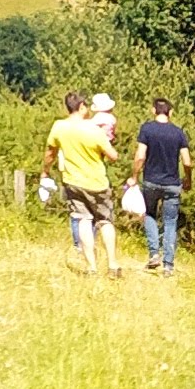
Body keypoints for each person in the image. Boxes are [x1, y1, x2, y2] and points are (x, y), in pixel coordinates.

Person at [44, 90, 119, 277]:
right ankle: (112, 265)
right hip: (97, 182)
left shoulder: (59, 127)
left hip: (73, 182)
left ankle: (91, 268)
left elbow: (50, 153)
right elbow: (113, 156)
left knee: (83, 220)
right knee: (105, 221)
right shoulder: (94, 129)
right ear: (82, 107)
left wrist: (45, 172)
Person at [133, 96, 193, 274]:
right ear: (171, 112)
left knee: (150, 215)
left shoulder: (147, 129)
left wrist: (134, 176)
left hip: (151, 181)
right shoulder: (178, 132)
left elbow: (140, 156)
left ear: (153, 110)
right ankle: (168, 265)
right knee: (170, 222)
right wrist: (188, 179)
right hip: (172, 184)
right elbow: (187, 162)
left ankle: (154, 255)